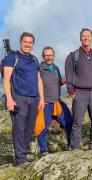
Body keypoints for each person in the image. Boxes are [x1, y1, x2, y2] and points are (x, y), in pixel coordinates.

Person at [3, 32, 44, 166]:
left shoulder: (34, 59)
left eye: (30, 42)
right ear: (21, 42)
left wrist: (42, 98)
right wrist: (9, 99)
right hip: (19, 97)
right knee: (19, 128)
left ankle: (23, 154)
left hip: (33, 98)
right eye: (25, 42)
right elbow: (6, 79)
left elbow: (38, 79)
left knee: (29, 128)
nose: (27, 44)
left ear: (33, 44)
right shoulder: (12, 56)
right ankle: (20, 159)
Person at [65, 28, 92, 150]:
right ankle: (75, 147)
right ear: (80, 38)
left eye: (88, 36)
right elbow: (69, 75)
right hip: (80, 93)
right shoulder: (73, 56)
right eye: (84, 36)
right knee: (77, 122)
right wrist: (71, 91)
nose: (86, 38)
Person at [37, 47, 72, 154]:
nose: (48, 57)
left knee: (69, 122)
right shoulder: (39, 68)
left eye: (50, 55)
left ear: (54, 55)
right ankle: (44, 151)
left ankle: (71, 145)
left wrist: (68, 77)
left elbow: (58, 83)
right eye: (46, 55)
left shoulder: (56, 67)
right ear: (43, 56)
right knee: (42, 128)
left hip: (56, 102)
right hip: (45, 104)